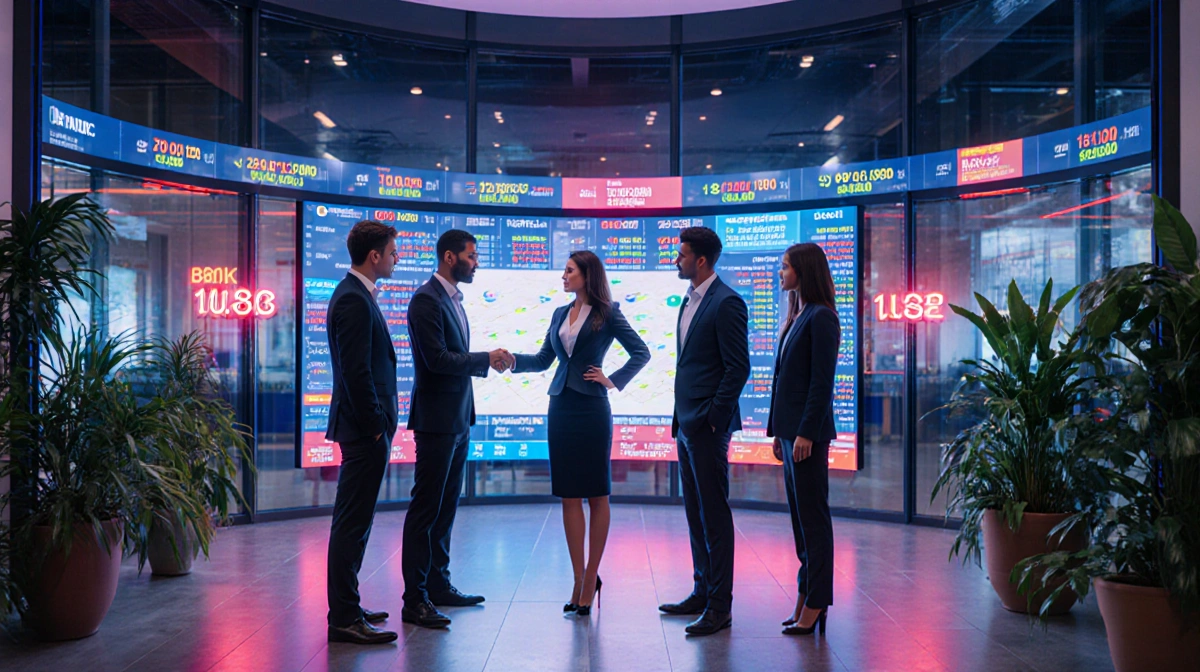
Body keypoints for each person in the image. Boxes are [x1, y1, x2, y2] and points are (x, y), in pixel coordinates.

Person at [507, 251, 650, 617]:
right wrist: (511, 361)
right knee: (569, 495)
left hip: (592, 409)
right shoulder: (559, 313)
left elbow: (641, 352)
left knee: (597, 493)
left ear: (587, 275)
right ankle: (578, 577)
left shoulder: (609, 312)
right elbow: (543, 360)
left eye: (569, 270)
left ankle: (591, 578)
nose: (563, 276)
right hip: (561, 408)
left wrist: (612, 379)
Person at [401, 229, 513, 629]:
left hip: (458, 419)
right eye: (471, 255)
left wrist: (483, 359)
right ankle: (414, 599)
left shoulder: (452, 301)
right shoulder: (425, 301)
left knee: (445, 509)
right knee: (426, 509)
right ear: (450, 257)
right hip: (436, 422)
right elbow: (437, 360)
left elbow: (453, 357)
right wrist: (487, 357)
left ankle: (438, 584)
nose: (476, 262)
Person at [658, 226, 750, 636]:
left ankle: (719, 606)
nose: (676, 260)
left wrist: (714, 417)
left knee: (714, 514)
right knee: (695, 513)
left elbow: (738, 367)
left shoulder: (727, 302)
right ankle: (701, 590)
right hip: (687, 422)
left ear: (701, 260)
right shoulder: (689, 300)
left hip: (708, 427)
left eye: (681, 255)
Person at [324, 220, 401, 645]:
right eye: (393, 251)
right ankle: (344, 618)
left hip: (363, 430)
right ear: (374, 256)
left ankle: (348, 606)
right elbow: (355, 373)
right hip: (363, 431)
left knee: (355, 523)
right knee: (351, 524)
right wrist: (375, 427)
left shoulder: (356, 294)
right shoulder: (353, 300)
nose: (396, 257)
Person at [767, 242, 841, 637]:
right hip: (790, 433)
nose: (781, 273)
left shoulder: (822, 317)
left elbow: (820, 383)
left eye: (785, 267)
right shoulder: (798, 314)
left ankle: (817, 601)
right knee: (800, 523)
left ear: (803, 271)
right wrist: (778, 432)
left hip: (807, 438)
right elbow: (784, 381)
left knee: (814, 521)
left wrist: (806, 433)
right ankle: (805, 594)